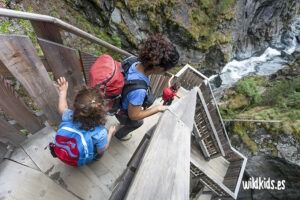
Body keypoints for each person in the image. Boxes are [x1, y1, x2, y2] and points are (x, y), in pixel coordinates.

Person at [115, 34, 180, 141]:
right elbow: (134, 116)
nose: (165, 72)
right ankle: (119, 134)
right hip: (121, 110)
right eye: (166, 69)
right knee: (138, 123)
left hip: (118, 97)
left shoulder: (133, 60)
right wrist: (158, 108)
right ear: (158, 67)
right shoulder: (139, 90)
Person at [56, 77, 116, 163]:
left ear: (76, 105)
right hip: (85, 153)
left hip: (69, 148)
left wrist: (63, 91)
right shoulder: (100, 132)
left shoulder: (70, 116)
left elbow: (62, 108)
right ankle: (95, 159)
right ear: (101, 111)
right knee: (98, 153)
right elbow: (101, 150)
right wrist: (110, 133)